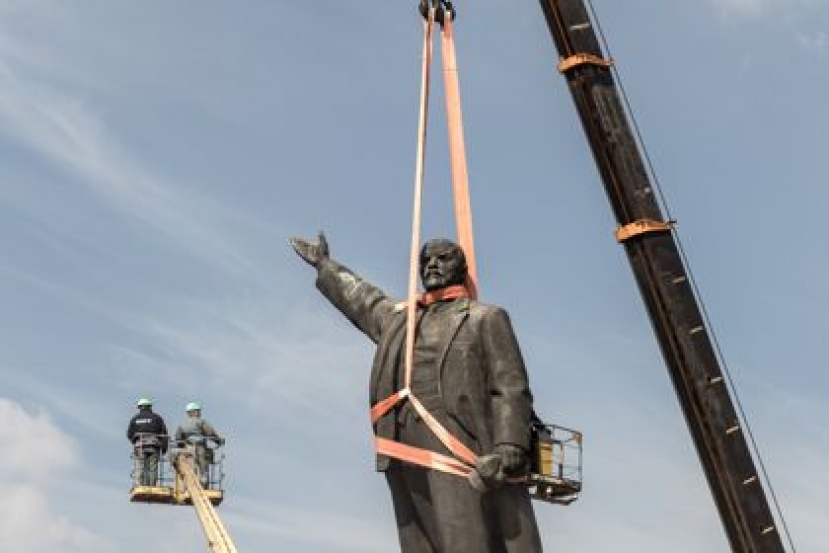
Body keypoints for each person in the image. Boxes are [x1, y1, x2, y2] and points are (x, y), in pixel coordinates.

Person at [290, 232, 542, 552]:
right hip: (402, 441)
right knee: (417, 540)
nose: (432, 264)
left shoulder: (485, 318)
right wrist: (325, 265)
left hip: (456, 439)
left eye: (442, 258)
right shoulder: (401, 319)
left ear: (461, 268)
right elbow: (364, 300)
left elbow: (510, 384)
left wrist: (510, 445)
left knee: (463, 537)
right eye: (426, 260)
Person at [175, 402, 224, 488]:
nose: (199, 413)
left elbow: (178, 438)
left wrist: (181, 447)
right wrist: (219, 441)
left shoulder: (182, 424)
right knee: (203, 468)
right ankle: (203, 486)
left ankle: (189, 485)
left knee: (190, 467)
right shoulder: (201, 421)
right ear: (194, 412)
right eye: (198, 411)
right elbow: (210, 433)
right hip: (200, 447)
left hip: (188, 448)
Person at [126, 397, 169, 487]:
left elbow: (129, 434)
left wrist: (135, 442)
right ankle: (152, 486)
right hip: (154, 446)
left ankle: (142, 485)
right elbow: (164, 434)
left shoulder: (135, 419)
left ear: (140, 407)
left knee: (141, 467)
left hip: (140, 446)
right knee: (153, 468)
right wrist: (164, 448)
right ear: (150, 407)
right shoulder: (157, 418)